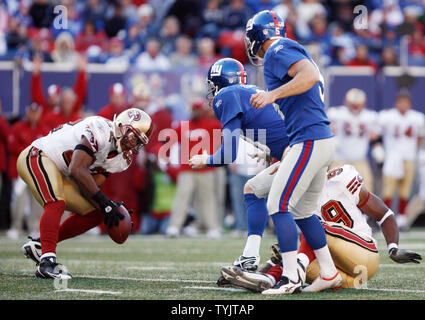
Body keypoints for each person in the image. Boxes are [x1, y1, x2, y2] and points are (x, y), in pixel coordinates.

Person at [244, 10, 340, 294]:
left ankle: (291, 278)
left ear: (257, 35)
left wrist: (271, 95)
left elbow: (308, 75)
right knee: (303, 211)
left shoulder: (278, 49)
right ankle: (329, 272)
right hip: (316, 139)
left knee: (278, 205)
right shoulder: (284, 51)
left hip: (310, 139)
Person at [220, 165, 422, 293]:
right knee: (288, 253)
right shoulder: (297, 195)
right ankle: (269, 279)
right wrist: (247, 273)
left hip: (364, 254)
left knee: (313, 228)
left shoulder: (341, 179)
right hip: (351, 276)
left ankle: (297, 268)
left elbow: (384, 214)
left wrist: (393, 247)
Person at [19, 108, 153, 279]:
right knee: (55, 202)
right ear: (121, 125)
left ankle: (40, 244)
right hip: (38, 156)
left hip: (61, 172)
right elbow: (77, 170)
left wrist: (110, 208)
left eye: (139, 141)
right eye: (133, 136)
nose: (133, 144)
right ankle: (47, 263)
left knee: (97, 214)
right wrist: (105, 202)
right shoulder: (100, 129)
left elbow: (91, 187)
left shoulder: (122, 159)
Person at [189, 58, 288, 266]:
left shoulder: (227, 95)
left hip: (297, 151)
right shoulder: (247, 90)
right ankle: (251, 256)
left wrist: (205, 159)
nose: (212, 91)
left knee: (285, 206)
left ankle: (295, 261)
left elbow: (228, 154)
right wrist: (270, 152)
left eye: (213, 85)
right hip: (290, 150)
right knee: (253, 189)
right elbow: (273, 125)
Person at [166, 99, 222, 238]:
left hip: (206, 168)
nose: (197, 111)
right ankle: (174, 226)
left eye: (199, 109)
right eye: (194, 109)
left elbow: (225, 137)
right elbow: (169, 139)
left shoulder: (212, 124)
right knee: (182, 197)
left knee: (208, 198)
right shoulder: (183, 125)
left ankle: (212, 227)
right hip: (187, 168)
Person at [378, 91, 425, 230]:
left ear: (409, 104)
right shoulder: (387, 116)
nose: (403, 105)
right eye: (401, 102)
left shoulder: (417, 118)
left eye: (406, 102)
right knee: (388, 191)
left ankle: (402, 220)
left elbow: (419, 138)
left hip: (409, 157)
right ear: (396, 103)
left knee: (405, 191)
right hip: (392, 158)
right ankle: (384, 220)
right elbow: (376, 133)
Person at [7, 103, 48, 239]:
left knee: (37, 200)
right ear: (27, 112)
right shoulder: (18, 127)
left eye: (36, 112)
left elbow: (47, 149)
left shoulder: (44, 129)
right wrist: (29, 152)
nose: (34, 115)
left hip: (36, 171)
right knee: (19, 199)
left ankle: (34, 227)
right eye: (32, 112)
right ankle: (16, 226)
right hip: (20, 171)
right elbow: (12, 145)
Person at [327, 88, 380, 191]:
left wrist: (377, 148)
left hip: (360, 160)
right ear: (346, 102)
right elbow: (327, 131)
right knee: (333, 189)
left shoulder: (369, 116)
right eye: (353, 104)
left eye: (358, 104)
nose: (356, 107)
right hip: (339, 160)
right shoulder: (336, 113)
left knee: (367, 189)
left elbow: (374, 137)